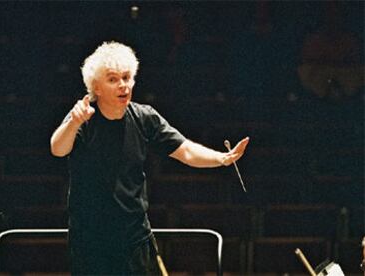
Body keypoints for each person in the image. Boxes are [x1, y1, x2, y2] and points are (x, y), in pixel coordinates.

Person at [50, 41, 250, 275]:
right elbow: (58, 148)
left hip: (134, 237)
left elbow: (184, 149)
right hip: (90, 240)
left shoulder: (144, 117)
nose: (123, 85)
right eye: (113, 79)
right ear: (97, 87)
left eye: (127, 78)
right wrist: (74, 122)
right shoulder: (83, 118)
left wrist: (222, 158)